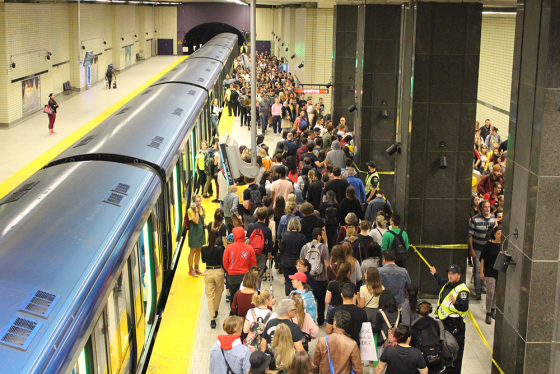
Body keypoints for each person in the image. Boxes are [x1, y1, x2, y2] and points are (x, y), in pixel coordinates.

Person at [429, 264, 469, 374]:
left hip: (456, 326)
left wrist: (456, 303)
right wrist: (435, 273)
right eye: (449, 273)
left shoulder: (462, 290)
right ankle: (447, 369)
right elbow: (441, 281)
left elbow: (465, 307)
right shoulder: (448, 284)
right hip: (445, 324)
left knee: (455, 351)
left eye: (453, 274)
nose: (450, 276)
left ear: (459, 275)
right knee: (445, 349)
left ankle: (454, 371)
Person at [300, 227, 330, 326]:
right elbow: (326, 265)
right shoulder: (324, 248)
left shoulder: (305, 247)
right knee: (321, 302)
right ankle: (321, 321)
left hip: (308, 279)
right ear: (319, 236)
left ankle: (308, 321)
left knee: (309, 301)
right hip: (321, 280)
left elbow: (301, 263)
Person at [201, 217, 226, 328]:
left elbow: (203, 260)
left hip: (208, 272)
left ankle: (212, 319)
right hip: (219, 272)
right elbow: (222, 262)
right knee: (219, 291)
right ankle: (216, 310)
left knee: (209, 296)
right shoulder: (220, 249)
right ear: (216, 239)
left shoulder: (204, 249)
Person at [468, 199, 495, 300]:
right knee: (478, 270)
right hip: (477, 248)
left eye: (488, 207)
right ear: (481, 208)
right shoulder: (475, 219)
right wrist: (471, 249)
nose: (487, 209)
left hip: (488, 249)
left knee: (487, 269)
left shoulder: (493, 219)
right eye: (485, 207)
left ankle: (484, 287)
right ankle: (478, 290)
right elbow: (470, 235)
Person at [223, 227, 257, 300]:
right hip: (245, 276)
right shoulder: (249, 248)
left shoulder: (228, 248)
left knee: (233, 296)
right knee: (244, 298)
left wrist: (229, 270)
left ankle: (233, 310)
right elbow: (253, 264)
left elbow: (225, 262)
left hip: (232, 276)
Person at [410, 301, 444, 374]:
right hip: (435, 359)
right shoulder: (436, 323)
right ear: (430, 311)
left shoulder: (414, 325)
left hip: (420, 360)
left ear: (418, 311)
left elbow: (412, 344)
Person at [246, 207, 274, 289]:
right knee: (259, 274)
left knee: (250, 272)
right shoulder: (267, 230)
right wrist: (269, 254)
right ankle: (256, 291)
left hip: (251, 254)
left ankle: (249, 290)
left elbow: (247, 239)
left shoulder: (251, 226)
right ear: (266, 217)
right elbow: (269, 245)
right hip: (262, 254)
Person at [280, 218, 307, 296]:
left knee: (288, 280)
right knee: (298, 281)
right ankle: (296, 296)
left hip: (286, 261)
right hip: (297, 262)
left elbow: (282, 249)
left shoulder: (285, 236)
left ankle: (288, 297)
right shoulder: (302, 237)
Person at [480, 225, 502, 324]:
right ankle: (488, 312)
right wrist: (481, 272)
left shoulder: (503, 245)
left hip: (500, 272)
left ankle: (493, 309)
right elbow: (483, 259)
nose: (500, 236)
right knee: (490, 292)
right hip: (490, 271)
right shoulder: (488, 245)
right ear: (494, 234)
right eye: (498, 234)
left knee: (497, 292)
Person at [187, 195, 206, 277]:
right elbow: (196, 221)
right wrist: (196, 211)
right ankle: (190, 269)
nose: (198, 203)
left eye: (199, 201)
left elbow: (203, 220)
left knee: (199, 250)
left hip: (201, 233)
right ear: (193, 202)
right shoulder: (190, 211)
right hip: (193, 234)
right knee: (193, 250)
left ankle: (196, 267)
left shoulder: (203, 208)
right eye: (196, 201)